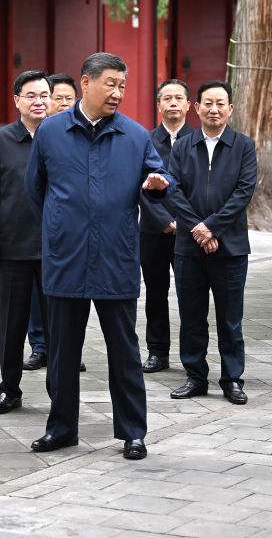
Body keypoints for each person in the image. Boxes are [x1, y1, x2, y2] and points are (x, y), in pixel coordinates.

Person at [25, 52, 171, 460]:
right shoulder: (50, 132)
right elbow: (35, 190)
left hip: (116, 258)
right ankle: (61, 429)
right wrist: (60, 226)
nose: (118, 93)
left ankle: (133, 432)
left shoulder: (136, 136)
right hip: (66, 259)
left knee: (124, 351)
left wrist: (158, 186)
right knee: (62, 353)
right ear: (85, 84)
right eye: (111, 84)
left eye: (123, 86)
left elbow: (158, 180)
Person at [167, 81, 257, 405]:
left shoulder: (243, 146)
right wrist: (198, 230)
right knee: (191, 316)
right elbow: (172, 191)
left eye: (221, 103)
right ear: (197, 107)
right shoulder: (182, 146)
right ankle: (195, 376)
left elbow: (243, 192)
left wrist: (213, 227)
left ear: (230, 109)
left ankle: (232, 379)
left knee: (230, 319)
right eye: (208, 103)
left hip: (230, 248)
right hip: (189, 249)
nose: (214, 109)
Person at [0, 70, 52, 414]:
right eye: (32, 95)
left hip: (56, 248)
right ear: (17, 101)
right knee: (12, 323)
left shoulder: (61, 137)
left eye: (44, 95)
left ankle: (60, 392)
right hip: (13, 246)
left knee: (58, 324)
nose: (39, 101)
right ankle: (9, 388)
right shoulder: (0, 141)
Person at [23, 72, 78, 371]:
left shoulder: (77, 138)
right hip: (34, 227)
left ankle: (67, 349)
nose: (64, 104)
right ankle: (40, 346)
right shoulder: (40, 135)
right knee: (36, 292)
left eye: (70, 99)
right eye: (59, 98)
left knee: (67, 295)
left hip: (67, 234)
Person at [140, 79, 194, 374]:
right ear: (158, 105)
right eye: (167, 98)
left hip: (189, 233)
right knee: (155, 293)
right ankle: (157, 352)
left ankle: (192, 354)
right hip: (152, 231)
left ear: (188, 105)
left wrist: (183, 223)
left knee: (190, 294)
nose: (173, 103)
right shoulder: (144, 141)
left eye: (179, 98)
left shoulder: (199, 140)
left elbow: (198, 189)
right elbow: (139, 186)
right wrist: (163, 221)